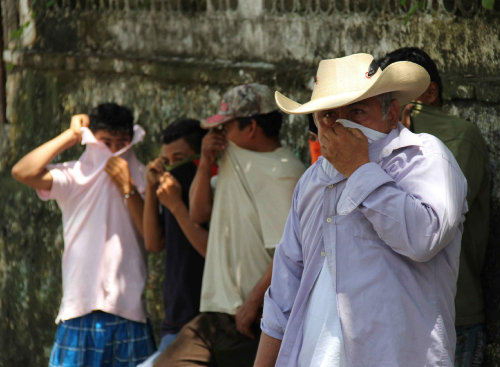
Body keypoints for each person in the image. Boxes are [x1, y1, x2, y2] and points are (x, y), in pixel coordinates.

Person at [254, 53, 468, 366]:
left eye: (357, 111)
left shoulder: (426, 159)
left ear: (391, 112)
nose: (341, 124)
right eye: (328, 114)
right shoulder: (311, 182)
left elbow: (423, 238)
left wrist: (358, 167)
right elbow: (283, 296)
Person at [153, 83, 306, 367]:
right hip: (216, 312)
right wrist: (205, 161)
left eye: (226, 127)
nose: (217, 135)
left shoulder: (283, 173)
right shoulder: (233, 159)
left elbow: (289, 251)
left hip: (252, 317)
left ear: (251, 128)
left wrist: (251, 304)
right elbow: (199, 214)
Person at [11, 103, 155, 366]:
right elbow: (23, 171)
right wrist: (71, 135)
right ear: (92, 140)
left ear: (131, 141)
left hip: (130, 311)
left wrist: (129, 188)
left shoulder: (144, 177)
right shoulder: (74, 175)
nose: (113, 151)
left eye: (121, 142)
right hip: (79, 309)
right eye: (105, 142)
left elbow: (152, 237)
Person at [379, 47, 490, 367]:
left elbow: (431, 227)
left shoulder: (455, 137)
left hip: (449, 310)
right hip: (418, 307)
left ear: (429, 92)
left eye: (398, 95)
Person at [139, 119, 211, 367]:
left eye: (179, 157)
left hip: (201, 318)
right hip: (175, 316)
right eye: (165, 161)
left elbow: (210, 251)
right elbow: (153, 242)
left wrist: (177, 206)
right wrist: (151, 188)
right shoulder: (172, 187)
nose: (171, 168)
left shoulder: (206, 188)